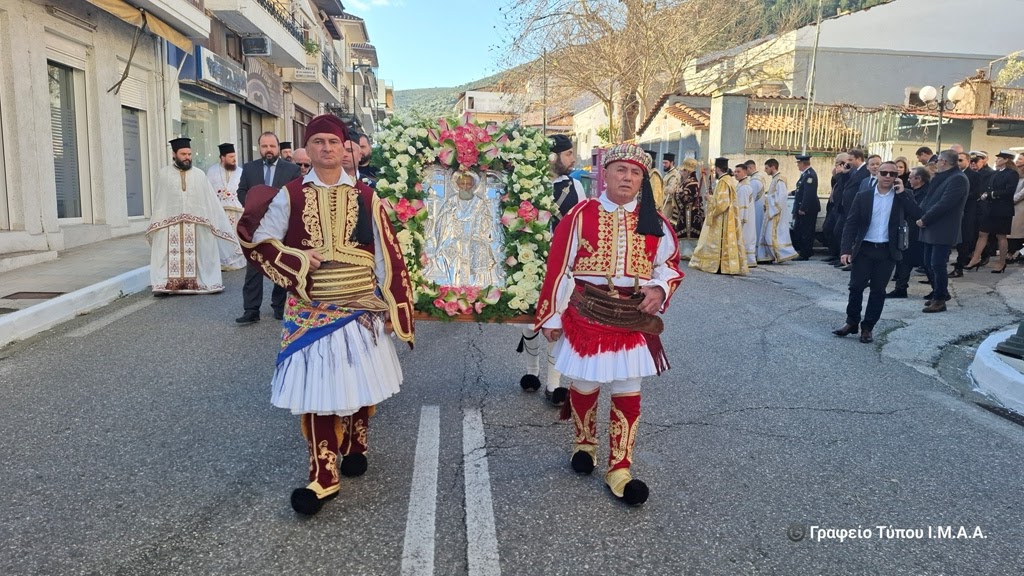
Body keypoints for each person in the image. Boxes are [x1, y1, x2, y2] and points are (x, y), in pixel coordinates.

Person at [236, 114, 415, 516]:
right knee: (318, 391)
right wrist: (296, 258)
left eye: (333, 142)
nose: (327, 149)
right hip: (310, 310)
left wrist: (394, 304)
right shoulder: (290, 193)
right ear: (308, 149)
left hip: (360, 306)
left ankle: (355, 443)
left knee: (359, 383)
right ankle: (324, 471)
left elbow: (388, 255)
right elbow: (260, 241)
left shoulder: (368, 196)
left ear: (345, 148)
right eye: (317, 142)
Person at [534, 142, 683, 506]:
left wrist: (660, 289)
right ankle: (584, 442)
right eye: (621, 170)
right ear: (606, 174)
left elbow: (670, 265)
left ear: (641, 179)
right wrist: (552, 316)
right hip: (587, 311)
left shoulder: (655, 220)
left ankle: (620, 466)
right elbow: (559, 267)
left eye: (635, 173)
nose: (628, 178)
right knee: (584, 384)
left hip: (633, 316)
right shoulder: (581, 214)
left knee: (627, 389)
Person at [518, 134, 581, 405]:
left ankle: (554, 385)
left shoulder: (575, 185)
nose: (573, 159)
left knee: (558, 323)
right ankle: (531, 373)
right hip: (531, 261)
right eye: (568, 154)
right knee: (531, 321)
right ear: (553, 157)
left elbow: (580, 224)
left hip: (563, 264)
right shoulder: (529, 185)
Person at [834, 161, 922, 344]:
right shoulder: (864, 196)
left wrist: (902, 194)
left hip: (887, 251)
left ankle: (868, 328)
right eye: (884, 173)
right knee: (856, 287)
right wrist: (845, 249)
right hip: (865, 248)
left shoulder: (903, 196)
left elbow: (917, 215)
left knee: (878, 291)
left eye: (893, 174)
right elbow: (851, 223)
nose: (888, 177)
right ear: (877, 174)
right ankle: (851, 322)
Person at [146, 137, 244, 295]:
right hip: (170, 223)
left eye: (189, 154)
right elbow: (160, 201)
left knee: (202, 249)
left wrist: (213, 220)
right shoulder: (164, 174)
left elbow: (209, 199)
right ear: (174, 154)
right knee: (165, 252)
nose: (187, 157)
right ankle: (165, 285)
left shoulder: (199, 175)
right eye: (183, 154)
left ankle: (202, 283)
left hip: (197, 222)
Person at [235, 132, 301, 324]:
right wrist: (252, 206)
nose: (268, 150)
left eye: (272, 146)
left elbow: (295, 195)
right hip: (256, 226)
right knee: (254, 266)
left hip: (282, 226)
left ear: (278, 147)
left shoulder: (291, 170)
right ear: (259, 148)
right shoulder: (249, 168)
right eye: (264, 146)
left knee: (280, 264)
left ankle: (279, 306)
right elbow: (241, 191)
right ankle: (251, 310)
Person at [916, 150, 969, 313]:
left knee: (937, 264)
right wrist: (920, 213)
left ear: (944, 162)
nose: (936, 163)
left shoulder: (958, 179)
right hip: (932, 226)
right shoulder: (942, 176)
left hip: (943, 227)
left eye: (938, 160)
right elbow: (929, 199)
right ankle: (940, 293)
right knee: (927, 262)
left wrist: (925, 219)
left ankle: (940, 299)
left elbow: (945, 204)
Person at [690, 158, 747, 275]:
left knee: (718, 242)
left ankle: (719, 265)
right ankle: (724, 265)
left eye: (715, 169)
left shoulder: (723, 182)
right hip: (728, 217)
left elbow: (722, 204)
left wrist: (710, 200)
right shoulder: (729, 180)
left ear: (717, 169)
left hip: (722, 219)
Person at [965, 151, 1018, 273]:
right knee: (982, 233)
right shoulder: (995, 173)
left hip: (1002, 209)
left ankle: (1001, 262)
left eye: (999, 158)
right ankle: (975, 258)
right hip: (989, 208)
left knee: (1001, 236)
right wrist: (984, 194)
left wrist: (991, 195)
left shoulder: (1012, 174)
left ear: (1006, 160)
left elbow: (1009, 191)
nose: (997, 160)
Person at [887, 166, 931, 298]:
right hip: (908, 231)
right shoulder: (912, 190)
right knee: (905, 261)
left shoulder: (926, 193)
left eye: (911, 177)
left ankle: (939, 290)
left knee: (926, 262)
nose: (908, 180)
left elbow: (917, 212)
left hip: (919, 232)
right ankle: (900, 288)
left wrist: (902, 195)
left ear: (919, 179)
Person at [756, 158, 797, 263]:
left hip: (775, 213)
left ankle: (781, 255)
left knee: (772, 236)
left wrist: (769, 202)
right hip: (771, 211)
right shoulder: (775, 178)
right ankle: (770, 256)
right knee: (767, 235)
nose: (765, 171)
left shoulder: (780, 179)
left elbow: (781, 197)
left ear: (773, 167)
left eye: (766, 168)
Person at [951, 152, 981, 277]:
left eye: (961, 160)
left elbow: (976, 193)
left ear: (968, 161)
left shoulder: (974, 175)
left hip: (968, 211)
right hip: (956, 211)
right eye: (957, 160)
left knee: (964, 238)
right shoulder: (954, 174)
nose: (958, 162)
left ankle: (960, 267)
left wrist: (961, 197)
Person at [822, 153, 850, 264]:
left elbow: (844, 187)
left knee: (838, 231)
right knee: (827, 229)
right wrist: (835, 176)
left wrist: (840, 175)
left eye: (839, 163)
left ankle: (840, 255)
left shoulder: (848, 174)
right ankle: (833, 253)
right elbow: (835, 187)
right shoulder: (838, 175)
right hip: (833, 206)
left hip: (841, 207)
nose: (837, 166)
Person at [791, 155, 820, 260]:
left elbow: (809, 193)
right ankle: (803, 250)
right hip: (803, 206)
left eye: (798, 163)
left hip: (808, 209)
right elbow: (801, 190)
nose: (798, 166)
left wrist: (803, 208)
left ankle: (805, 253)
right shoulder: (805, 175)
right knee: (800, 230)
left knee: (806, 231)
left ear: (803, 164)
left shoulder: (809, 175)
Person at [675, 158, 704, 259]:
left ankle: (688, 252)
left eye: (683, 171)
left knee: (689, 233)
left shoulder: (692, 183)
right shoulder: (687, 181)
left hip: (690, 213)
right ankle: (684, 252)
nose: (681, 173)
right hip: (686, 212)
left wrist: (676, 192)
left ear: (687, 171)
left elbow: (686, 198)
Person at [733, 163, 758, 267]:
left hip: (744, 219)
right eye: (735, 171)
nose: (735, 174)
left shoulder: (744, 187)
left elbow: (742, 207)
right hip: (746, 219)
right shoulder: (741, 184)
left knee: (746, 238)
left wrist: (739, 221)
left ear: (745, 172)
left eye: (738, 171)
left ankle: (747, 260)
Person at [661, 153, 681, 222]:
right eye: (663, 162)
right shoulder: (668, 173)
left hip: (669, 206)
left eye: (666, 163)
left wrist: (661, 189)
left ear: (672, 163)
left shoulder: (675, 175)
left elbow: (671, 190)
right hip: (663, 203)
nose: (664, 165)